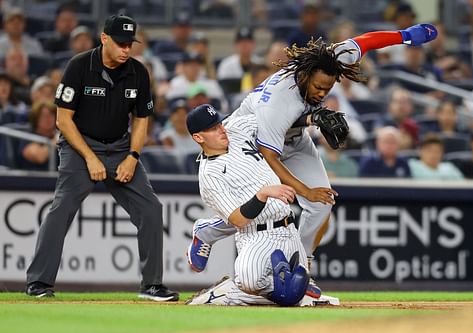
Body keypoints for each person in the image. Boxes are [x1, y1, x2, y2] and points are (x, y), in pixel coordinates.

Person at [186, 23, 438, 298]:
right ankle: (208, 232)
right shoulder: (279, 104)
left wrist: (404, 36)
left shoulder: (327, 61)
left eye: (328, 88)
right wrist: (304, 191)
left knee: (322, 204)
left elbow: (365, 41)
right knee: (261, 204)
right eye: (318, 87)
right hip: (250, 141)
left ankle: (302, 266)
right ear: (305, 76)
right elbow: (270, 156)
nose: (322, 93)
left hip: (293, 138)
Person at [25, 14, 178, 302]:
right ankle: (39, 282)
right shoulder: (80, 66)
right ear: (104, 38)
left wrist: (133, 156)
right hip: (79, 146)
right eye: (120, 43)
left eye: (129, 44)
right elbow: (63, 120)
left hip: (120, 148)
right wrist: (90, 158)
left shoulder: (138, 72)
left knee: (151, 209)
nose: (125, 49)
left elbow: (142, 120)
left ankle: (152, 285)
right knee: (62, 208)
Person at [185, 104, 336, 306]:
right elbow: (237, 219)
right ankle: (228, 292)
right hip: (256, 236)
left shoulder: (237, 128)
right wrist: (263, 194)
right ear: (198, 138)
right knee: (254, 282)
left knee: (293, 292)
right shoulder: (209, 177)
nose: (221, 129)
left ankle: (232, 292)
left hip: (288, 228)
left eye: (219, 123)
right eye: (212, 128)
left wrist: (310, 119)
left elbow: (274, 119)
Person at [18, 101, 58, 171]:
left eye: (51, 115)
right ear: (36, 119)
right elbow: (40, 157)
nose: (48, 119)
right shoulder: (28, 137)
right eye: (44, 116)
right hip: (34, 179)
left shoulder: (59, 136)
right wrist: (55, 141)